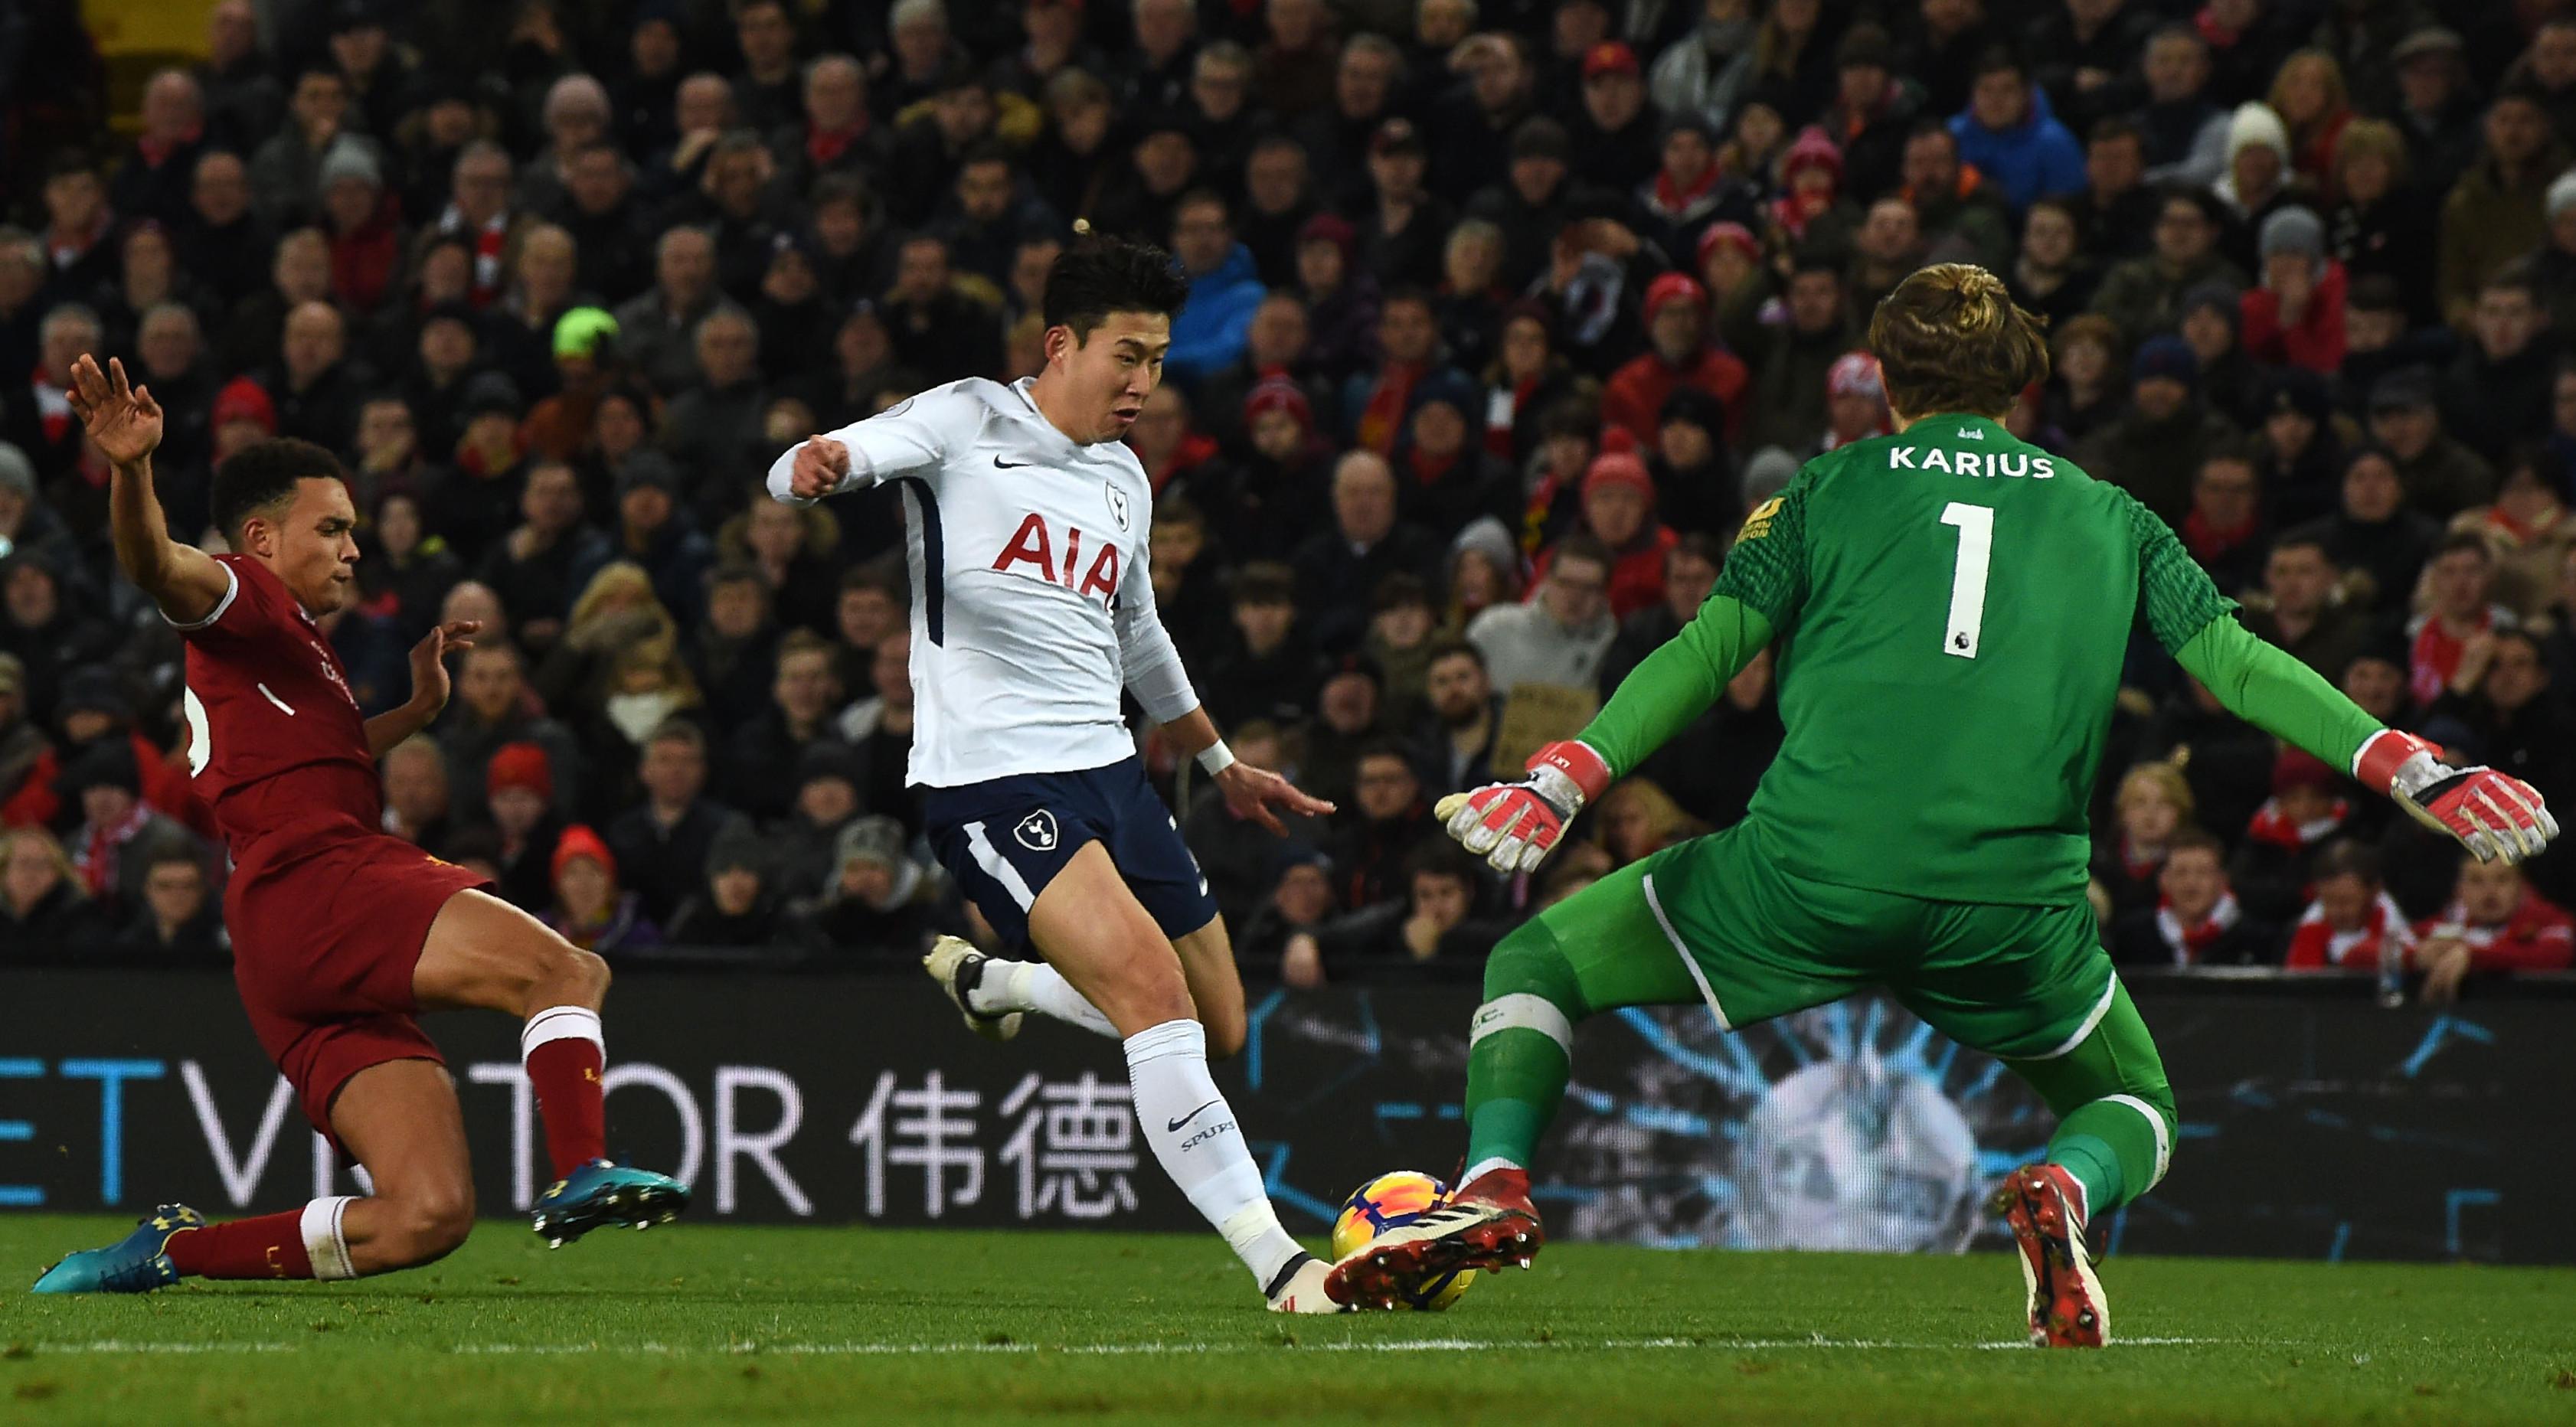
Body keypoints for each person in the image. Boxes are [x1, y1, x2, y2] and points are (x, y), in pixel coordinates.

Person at [1326, 266, 2561, 1343]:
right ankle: (2063, 1192)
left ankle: (1493, 1183)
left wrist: (1565, 773)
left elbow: (1708, 651)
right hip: (2010, 902)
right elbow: (2238, 667)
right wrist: (2414, 763)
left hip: (1808, 872)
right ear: (2021, 382)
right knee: (2132, 1105)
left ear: (1881, 377)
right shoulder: (2116, 515)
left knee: (1536, 960)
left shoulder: (1821, 490)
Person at [767, 237, 1346, 1314]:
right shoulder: (966, 418)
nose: (1145, 384)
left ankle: (1005, 985)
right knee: (1154, 999)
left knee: (1221, 1025)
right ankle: (1282, 1266)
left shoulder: (1124, 476)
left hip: (1115, 776)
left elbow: (1140, 636)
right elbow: (831, 454)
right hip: (994, 784)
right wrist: (818, 466)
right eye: (1129, 355)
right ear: (1062, 345)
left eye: (1159, 361)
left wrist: (1220, 763)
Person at [34, 356, 686, 1297]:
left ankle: (168, 1252)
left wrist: (414, 711)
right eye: (332, 528)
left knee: (426, 1216)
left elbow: (316, 760)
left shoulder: (293, 649)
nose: (352, 550)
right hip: (319, 882)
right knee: (566, 971)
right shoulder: (246, 596)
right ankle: (583, 1168)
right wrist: (132, 469)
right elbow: (156, 565)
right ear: (262, 537)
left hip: (280, 935)